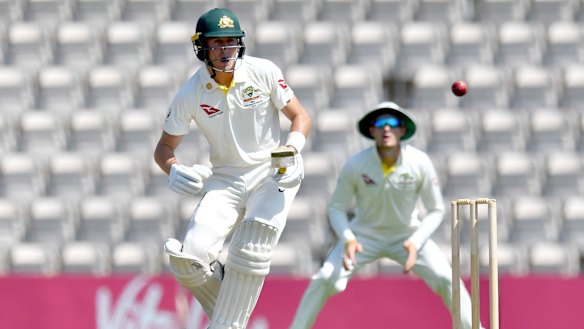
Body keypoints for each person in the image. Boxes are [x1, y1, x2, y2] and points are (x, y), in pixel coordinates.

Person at [153, 8, 312, 329]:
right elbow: (163, 148)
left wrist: (292, 150)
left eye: (231, 42)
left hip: (272, 171)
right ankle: (229, 323)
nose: (225, 51)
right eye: (217, 43)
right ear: (202, 48)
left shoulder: (263, 71)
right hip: (225, 179)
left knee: (251, 245)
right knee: (190, 261)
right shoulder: (191, 92)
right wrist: (172, 168)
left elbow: (301, 117)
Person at [289, 102, 482, 329]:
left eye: (393, 123)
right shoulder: (356, 164)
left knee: (447, 279)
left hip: (407, 235)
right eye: (380, 123)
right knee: (323, 280)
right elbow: (336, 208)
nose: (386, 128)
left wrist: (416, 241)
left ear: (402, 129)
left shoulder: (419, 162)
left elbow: (436, 209)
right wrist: (349, 238)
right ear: (371, 130)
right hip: (363, 236)